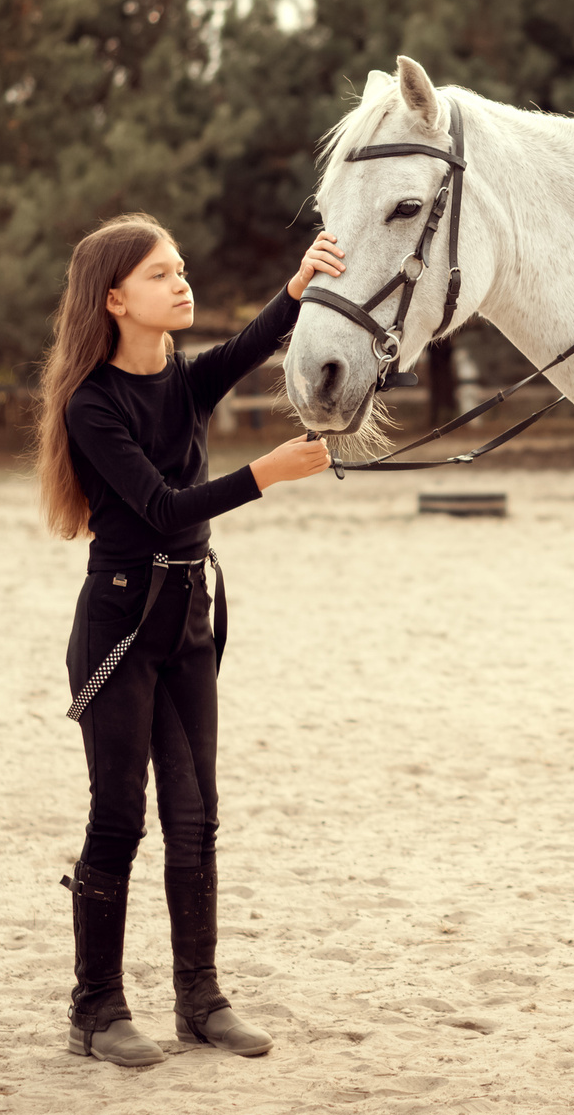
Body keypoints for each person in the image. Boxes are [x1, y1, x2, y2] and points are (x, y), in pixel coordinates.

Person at [33, 213, 346, 1068]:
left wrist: (300, 283)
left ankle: (199, 998)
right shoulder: (91, 403)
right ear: (114, 299)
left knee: (196, 816)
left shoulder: (181, 377)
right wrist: (264, 475)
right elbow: (164, 509)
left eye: (181, 269)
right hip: (121, 624)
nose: (181, 282)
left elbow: (251, 342)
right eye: (161, 274)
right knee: (119, 816)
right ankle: (94, 1008)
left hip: (188, 618)